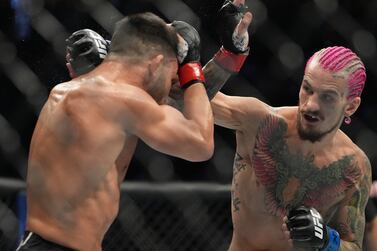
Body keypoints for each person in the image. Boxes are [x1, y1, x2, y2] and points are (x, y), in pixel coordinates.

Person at [18, 12, 214, 251]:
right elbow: (200, 142)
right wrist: (191, 68)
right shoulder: (123, 99)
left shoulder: (79, 91)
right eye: (173, 75)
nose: (172, 85)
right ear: (155, 64)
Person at [198, 0, 372, 250]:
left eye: (327, 97)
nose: (311, 104)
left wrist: (327, 240)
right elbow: (185, 102)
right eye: (307, 89)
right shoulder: (259, 121)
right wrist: (229, 55)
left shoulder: (354, 164)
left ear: (351, 106)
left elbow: (353, 245)